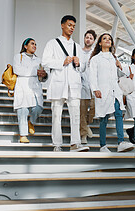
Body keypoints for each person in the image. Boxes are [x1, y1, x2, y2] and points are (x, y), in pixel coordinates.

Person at [42, 15, 89, 152]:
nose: (72, 28)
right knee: (56, 115)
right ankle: (57, 144)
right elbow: (45, 61)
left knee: (75, 115)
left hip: (73, 85)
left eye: (74, 26)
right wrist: (61, 62)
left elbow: (83, 68)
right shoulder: (52, 43)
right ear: (62, 25)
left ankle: (75, 143)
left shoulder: (77, 46)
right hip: (58, 84)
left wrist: (78, 63)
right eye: (69, 25)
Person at [89, 33, 135, 152]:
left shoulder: (114, 58)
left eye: (109, 39)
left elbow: (119, 76)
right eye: (104, 39)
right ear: (99, 43)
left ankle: (121, 142)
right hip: (103, 91)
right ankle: (103, 146)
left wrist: (121, 68)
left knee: (118, 114)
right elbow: (92, 76)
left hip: (115, 91)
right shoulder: (95, 59)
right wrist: (95, 89)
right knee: (104, 118)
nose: (107, 40)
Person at [13, 38, 47, 143]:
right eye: (32, 44)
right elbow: (17, 70)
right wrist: (35, 72)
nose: (35, 46)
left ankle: (31, 122)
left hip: (35, 87)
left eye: (36, 44)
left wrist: (44, 75)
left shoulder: (39, 60)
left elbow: (44, 76)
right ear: (25, 46)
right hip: (22, 86)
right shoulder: (19, 57)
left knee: (38, 107)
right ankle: (23, 135)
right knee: (23, 110)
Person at [80, 30, 97, 145]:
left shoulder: (95, 54)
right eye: (87, 37)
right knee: (82, 112)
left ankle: (85, 126)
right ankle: (83, 136)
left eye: (91, 38)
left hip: (93, 86)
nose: (88, 39)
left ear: (94, 41)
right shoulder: (78, 52)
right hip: (81, 85)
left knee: (94, 109)